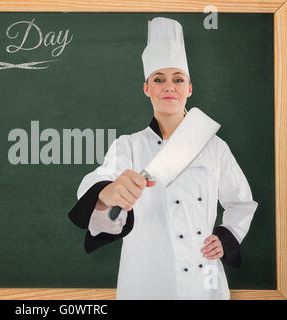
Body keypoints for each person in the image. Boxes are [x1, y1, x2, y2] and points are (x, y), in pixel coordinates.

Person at [68, 17, 257, 300]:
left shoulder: (214, 146)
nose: (169, 87)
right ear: (147, 88)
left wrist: (227, 235)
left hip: (203, 281)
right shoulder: (128, 146)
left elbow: (241, 202)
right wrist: (107, 194)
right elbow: (100, 181)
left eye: (178, 79)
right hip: (146, 280)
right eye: (159, 79)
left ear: (190, 88)